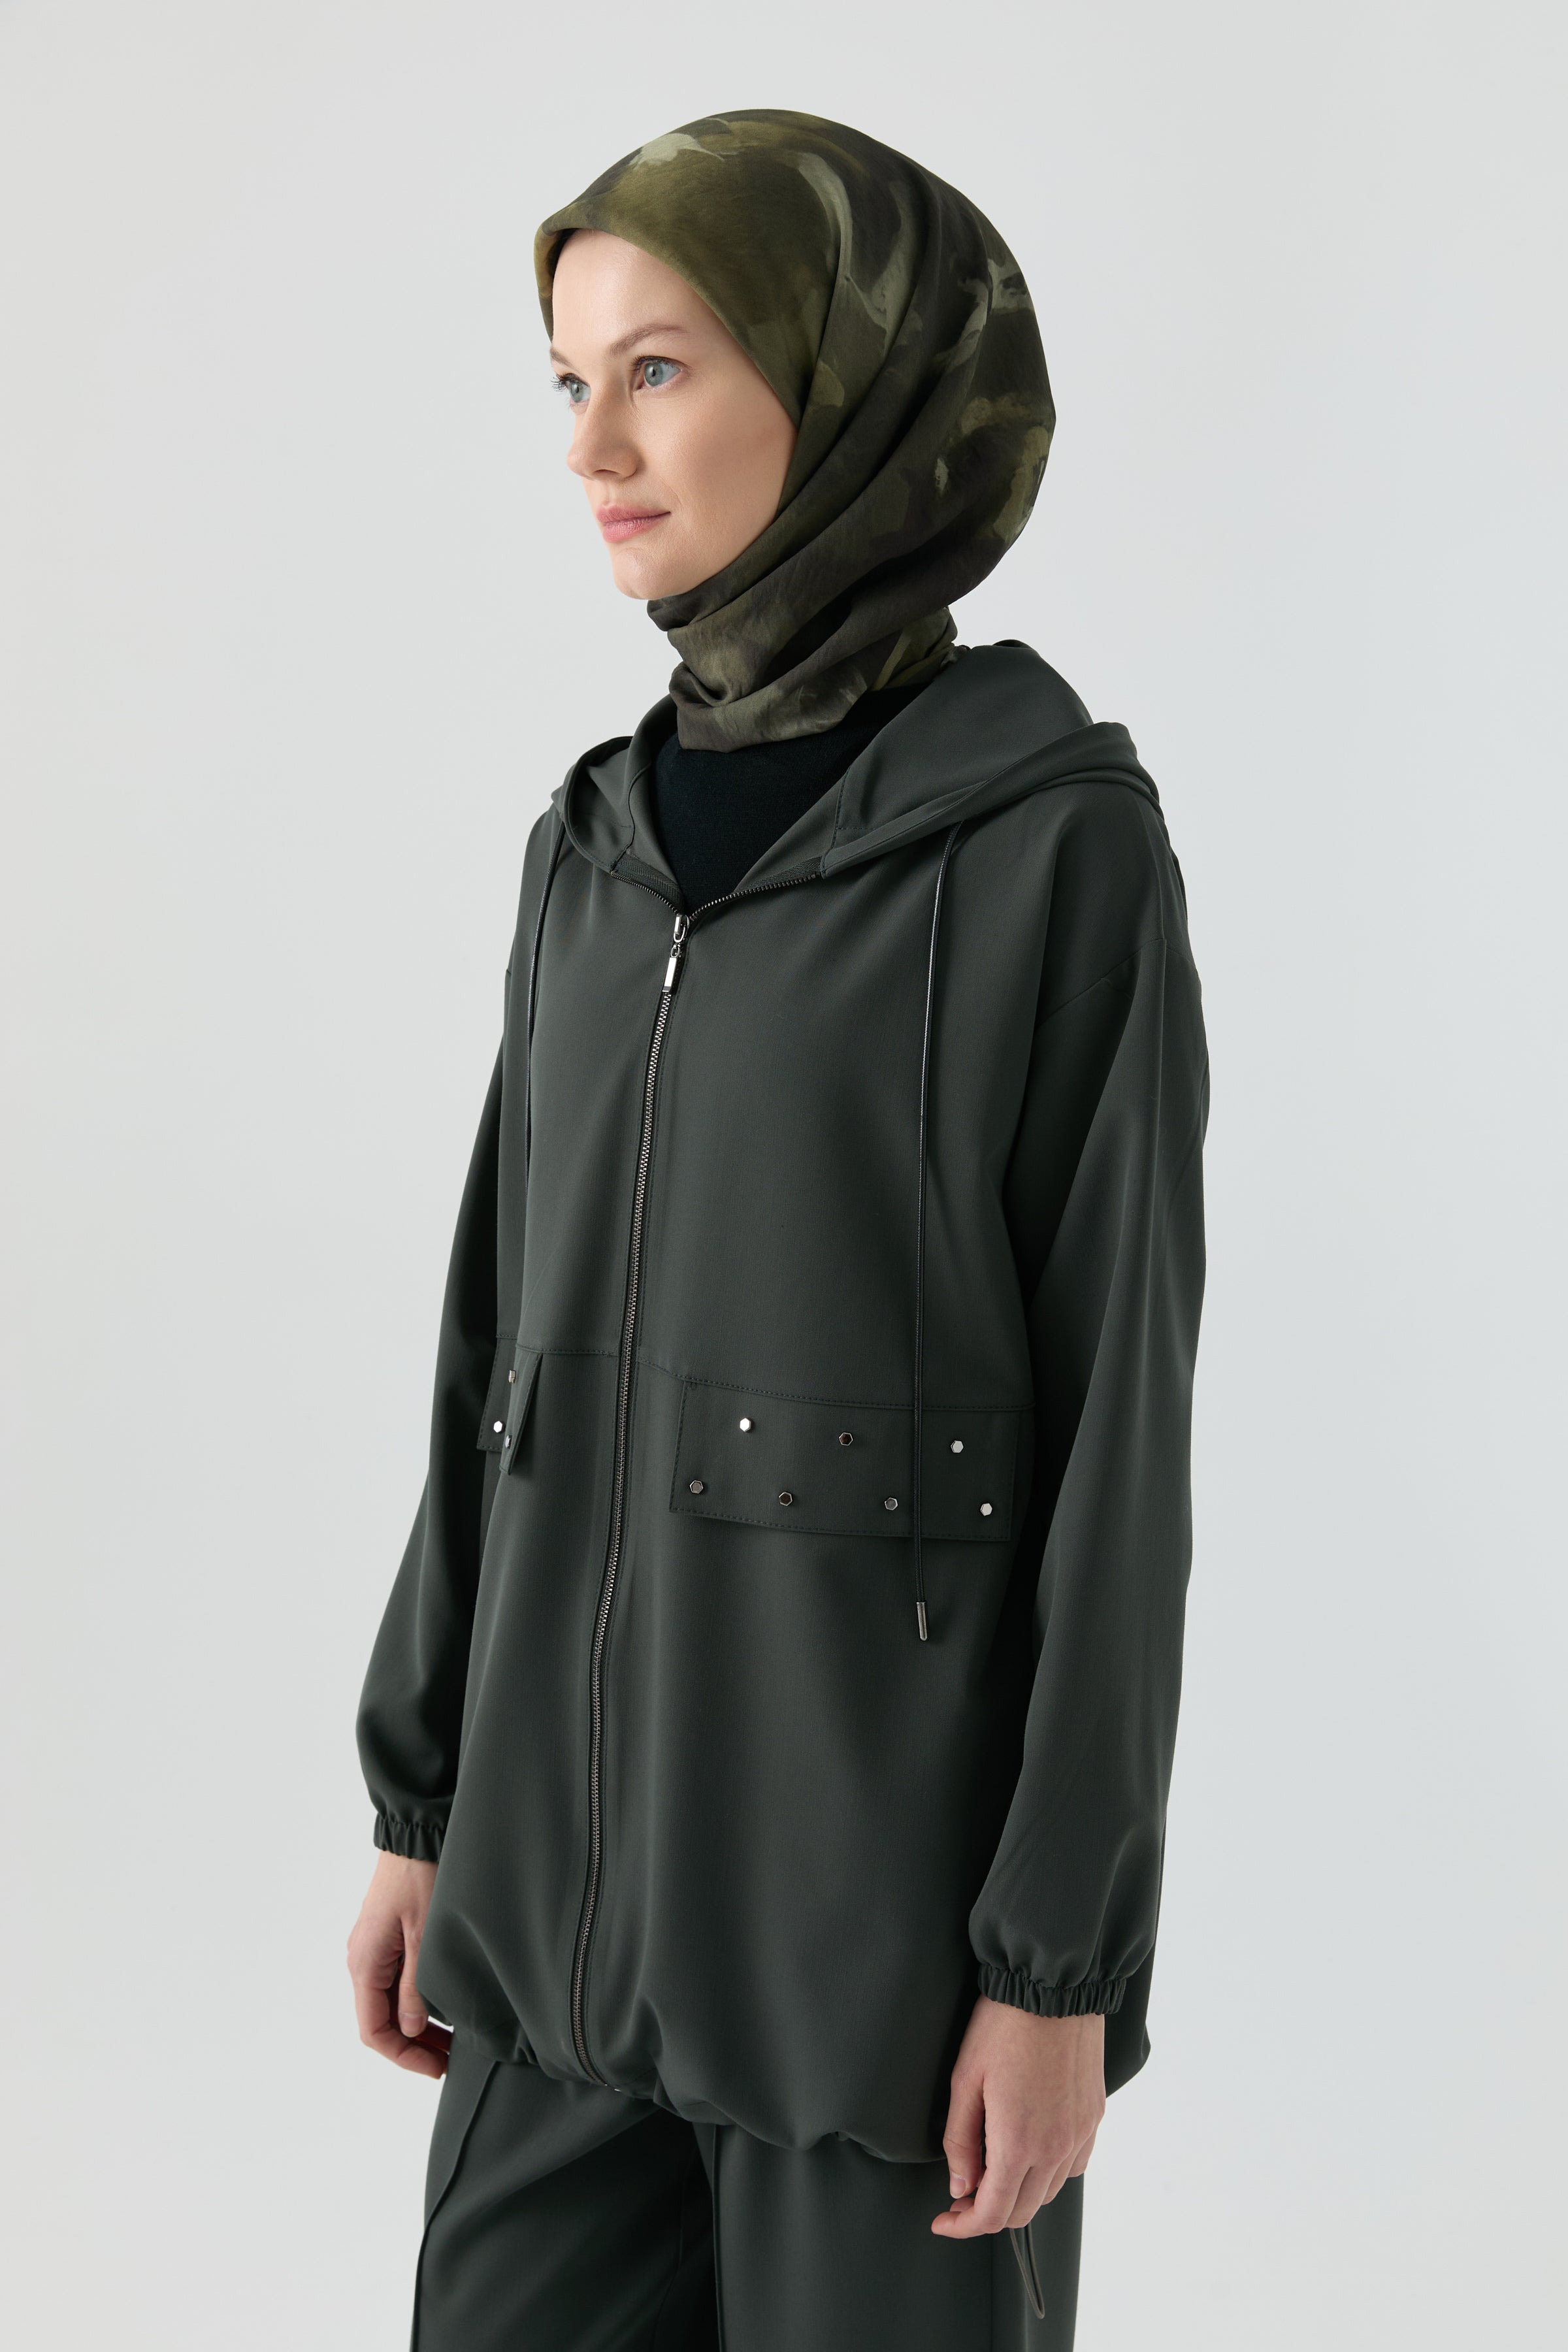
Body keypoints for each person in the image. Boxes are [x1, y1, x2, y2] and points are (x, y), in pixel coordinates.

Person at [348, 108, 1208, 2351]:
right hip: (546, 1948)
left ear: (851, 387)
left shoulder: (1051, 850)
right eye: (570, 380)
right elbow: (491, 1358)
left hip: (879, 1990)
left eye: (660, 368)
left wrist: (1057, 1971)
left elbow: (1123, 1443)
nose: (591, 448)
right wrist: (424, 1807)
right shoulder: (590, 849)